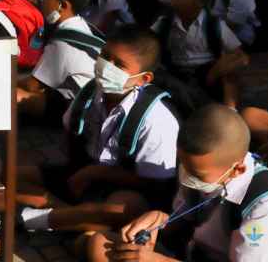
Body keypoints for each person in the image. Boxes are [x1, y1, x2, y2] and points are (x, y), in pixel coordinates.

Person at [18, 26, 179, 233]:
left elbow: (154, 182)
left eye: (119, 65)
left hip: (124, 189)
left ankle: (43, 220)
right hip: (82, 175)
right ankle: (72, 217)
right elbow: (71, 133)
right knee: (13, 177)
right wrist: (80, 174)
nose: (106, 66)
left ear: (143, 79)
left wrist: (95, 173)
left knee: (122, 209)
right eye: (105, 56)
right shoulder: (90, 91)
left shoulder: (157, 119)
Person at [88, 104, 268, 262]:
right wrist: (159, 220)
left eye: (196, 174)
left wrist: (158, 260)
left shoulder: (264, 207)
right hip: (187, 252)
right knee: (99, 244)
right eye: (184, 165)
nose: (187, 175)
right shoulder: (205, 170)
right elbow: (182, 220)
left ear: (237, 170)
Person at [152, 0, 249, 109]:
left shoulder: (214, 25)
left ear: (200, 0)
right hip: (176, 72)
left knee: (229, 75)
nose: (174, 0)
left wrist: (216, 70)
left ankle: (230, 112)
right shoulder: (164, 23)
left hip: (208, 72)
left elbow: (241, 56)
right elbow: (146, 41)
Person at [17, 0, 97, 122]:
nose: (41, 1)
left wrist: (4, 79)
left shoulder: (63, 42)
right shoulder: (79, 25)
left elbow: (32, 85)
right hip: (78, 96)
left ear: (63, 5)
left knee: (16, 96)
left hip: (77, 107)